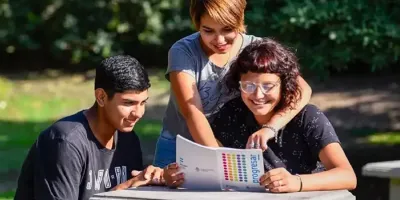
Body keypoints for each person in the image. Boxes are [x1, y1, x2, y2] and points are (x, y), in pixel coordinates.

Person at [163, 38, 357, 193]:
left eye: (268, 86)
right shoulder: (230, 114)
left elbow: (348, 176)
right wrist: (177, 176)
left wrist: (296, 182)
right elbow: (211, 171)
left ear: (285, 85)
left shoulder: (309, 117)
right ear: (238, 84)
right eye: (249, 86)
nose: (258, 95)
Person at [153, 0, 313, 168]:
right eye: (208, 31)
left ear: (240, 20)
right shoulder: (183, 51)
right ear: (197, 24)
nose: (219, 40)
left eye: (227, 29)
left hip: (232, 146)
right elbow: (192, 112)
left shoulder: (254, 47)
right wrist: (220, 162)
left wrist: (271, 128)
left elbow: (303, 90)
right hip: (181, 146)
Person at [14, 55, 164, 200]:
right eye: (128, 103)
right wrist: (121, 190)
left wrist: (153, 181)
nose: (138, 113)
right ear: (101, 97)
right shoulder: (65, 142)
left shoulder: (127, 138)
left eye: (143, 103)